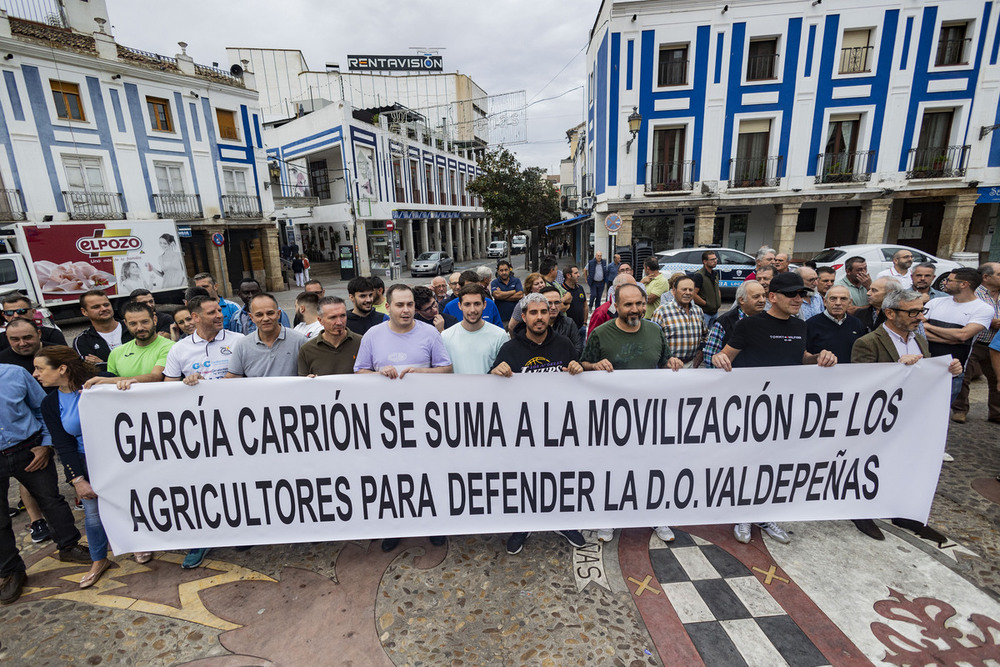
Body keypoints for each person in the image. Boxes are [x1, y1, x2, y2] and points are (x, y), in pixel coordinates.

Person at [711, 271, 837, 546]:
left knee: (773, 464)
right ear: (772, 297)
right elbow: (724, 356)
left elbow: (801, 359)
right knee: (747, 463)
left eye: (801, 294)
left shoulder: (799, 327)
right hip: (750, 406)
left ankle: (764, 514)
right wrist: (720, 358)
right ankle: (742, 513)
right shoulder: (749, 325)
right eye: (791, 294)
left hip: (783, 409)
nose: (798, 299)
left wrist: (819, 357)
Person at [851, 288, 963, 540]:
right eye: (912, 311)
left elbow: (928, 374)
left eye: (921, 310)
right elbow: (861, 383)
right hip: (880, 419)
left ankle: (902, 511)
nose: (919, 317)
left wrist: (949, 369)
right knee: (872, 463)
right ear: (889, 313)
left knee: (906, 463)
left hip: (912, 416)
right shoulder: (868, 342)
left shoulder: (920, 340)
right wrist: (896, 369)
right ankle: (861, 511)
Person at [582, 283, 682, 544]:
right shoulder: (601, 334)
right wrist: (594, 365)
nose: (635, 309)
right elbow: (582, 365)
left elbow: (664, 361)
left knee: (652, 469)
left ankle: (656, 516)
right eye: (628, 304)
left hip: (650, 417)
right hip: (611, 418)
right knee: (612, 470)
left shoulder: (655, 330)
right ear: (616, 305)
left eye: (639, 303)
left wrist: (671, 363)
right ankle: (608, 518)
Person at [354, 284, 451, 552]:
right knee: (392, 476)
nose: (406, 310)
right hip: (386, 423)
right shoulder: (372, 335)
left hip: (426, 420)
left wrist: (421, 375)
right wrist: (378, 375)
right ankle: (396, 526)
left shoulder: (430, 333)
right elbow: (359, 372)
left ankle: (434, 524)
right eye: (400, 305)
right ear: (387, 307)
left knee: (429, 474)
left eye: (409, 304)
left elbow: (446, 369)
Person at [490, 292, 587, 554]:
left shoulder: (564, 344)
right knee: (525, 479)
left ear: (550, 315)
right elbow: (490, 390)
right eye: (533, 313)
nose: (540, 317)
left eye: (544, 312)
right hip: (522, 431)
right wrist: (494, 373)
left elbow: (577, 381)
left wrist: (577, 369)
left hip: (558, 428)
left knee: (560, 477)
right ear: (524, 317)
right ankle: (523, 525)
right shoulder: (510, 349)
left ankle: (563, 522)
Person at [162, 296, 244, 568]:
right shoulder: (180, 350)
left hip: (236, 425)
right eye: (211, 312)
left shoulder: (238, 341)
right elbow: (167, 388)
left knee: (238, 478)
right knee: (201, 484)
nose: (219, 315)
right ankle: (201, 539)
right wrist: (186, 384)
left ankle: (244, 527)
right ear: (195, 317)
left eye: (219, 310)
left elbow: (252, 379)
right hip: (198, 430)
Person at [0, 363, 91, 604]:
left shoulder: (14, 374)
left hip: (28, 449)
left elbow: (44, 410)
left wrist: (46, 444)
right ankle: (11, 571)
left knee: (51, 500)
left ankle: (69, 546)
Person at [34, 347, 120, 588]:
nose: (35, 374)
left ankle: (137, 547)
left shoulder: (102, 384)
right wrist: (77, 479)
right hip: (86, 460)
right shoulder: (50, 404)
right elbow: (63, 443)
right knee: (92, 515)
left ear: (61, 369)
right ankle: (98, 560)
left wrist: (121, 383)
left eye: (40, 368)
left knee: (130, 503)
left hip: (120, 458)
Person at [923, 267, 994, 423]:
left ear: (964, 284)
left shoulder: (983, 309)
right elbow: (918, 329)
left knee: (936, 417)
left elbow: (964, 335)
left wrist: (929, 327)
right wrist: (948, 338)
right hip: (924, 366)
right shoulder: (935, 302)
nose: (945, 283)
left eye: (950, 280)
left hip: (952, 372)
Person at [953, 263, 1000, 424]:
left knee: (996, 378)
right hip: (975, 341)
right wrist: (989, 321)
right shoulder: (974, 294)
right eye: (999, 274)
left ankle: (996, 412)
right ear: (986, 277)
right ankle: (960, 410)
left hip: (995, 343)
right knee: (964, 376)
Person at [86, 302, 173, 387]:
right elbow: (111, 386)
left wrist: (114, 381)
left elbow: (156, 377)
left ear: (154, 320)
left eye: (145, 322)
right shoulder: (116, 353)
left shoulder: (170, 347)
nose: (140, 328)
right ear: (126, 324)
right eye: (133, 324)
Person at [226, 294, 306, 379]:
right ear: (251, 317)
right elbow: (233, 377)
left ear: (278, 314)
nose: (265, 318)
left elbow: (311, 374)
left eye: (270, 313)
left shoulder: (299, 341)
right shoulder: (242, 345)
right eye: (259, 315)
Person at [442, 284, 510, 374]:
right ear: (460, 306)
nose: (472, 310)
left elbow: (505, 370)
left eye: (477, 304)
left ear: (484, 305)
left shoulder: (499, 335)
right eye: (467, 304)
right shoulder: (445, 336)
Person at [703, 281, 767, 368]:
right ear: (741, 300)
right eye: (756, 297)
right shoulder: (724, 322)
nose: (762, 300)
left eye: (764, 296)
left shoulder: (769, 319)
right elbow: (710, 357)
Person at [651, 275, 707, 367]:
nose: (687, 293)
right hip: (669, 367)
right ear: (674, 290)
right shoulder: (662, 312)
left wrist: (699, 355)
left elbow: (704, 336)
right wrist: (665, 363)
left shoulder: (698, 311)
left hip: (692, 365)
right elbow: (653, 343)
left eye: (690, 290)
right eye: (684, 289)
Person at [298, 296, 362, 377]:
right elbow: (303, 384)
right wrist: (308, 381)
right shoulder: (307, 350)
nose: (339, 322)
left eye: (342, 316)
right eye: (333, 317)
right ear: (320, 320)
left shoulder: (362, 343)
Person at [72, 290, 133, 369]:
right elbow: (88, 371)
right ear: (84, 311)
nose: (104, 309)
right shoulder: (82, 341)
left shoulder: (133, 329)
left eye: (106, 305)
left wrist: (103, 364)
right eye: (96, 307)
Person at [806, 285, 866, 365]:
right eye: (833, 299)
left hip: (851, 374)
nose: (838, 303)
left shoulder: (857, 323)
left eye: (843, 299)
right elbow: (805, 356)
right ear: (825, 301)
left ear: (850, 302)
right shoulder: (810, 324)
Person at [1, 294, 65, 351]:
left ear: (33, 312)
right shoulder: (1, 340)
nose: (16, 315)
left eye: (21, 311)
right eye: (9, 312)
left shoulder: (52, 334)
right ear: (4, 315)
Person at [541, 285, 583, 357]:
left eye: (557, 302)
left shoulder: (569, 323)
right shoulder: (533, 325)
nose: (553, 307)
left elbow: (578, 348)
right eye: (549, 303)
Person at [690, 251, 721, 325]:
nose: (715, 261)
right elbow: (693, 294)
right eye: (712, 260)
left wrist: (718, 299)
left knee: (711, 335)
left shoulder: (715, 274)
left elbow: (717, 288)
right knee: (703, 335)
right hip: (705, 313)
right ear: (705, 261)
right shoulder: (699, 275)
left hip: (715, 312)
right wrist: (706, 303)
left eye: (715, 259)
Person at [490, 260, 524, 325]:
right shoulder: (494, 283)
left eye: (506, 270)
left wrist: (502, 296)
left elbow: (520, 295)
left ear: (509, 270)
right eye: (501, 270)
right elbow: (497, 295)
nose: (504, 272)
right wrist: (513, 291)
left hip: (515, 318)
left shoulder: (516, 281)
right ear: (498, 271)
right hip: (501, 318)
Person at [562, 265, 588, 331]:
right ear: (568, 275)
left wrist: (584, 323)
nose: (578, 275)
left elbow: (585, 305)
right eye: (575, 273)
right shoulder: (561, 290)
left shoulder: (580, 288)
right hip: (568, 330)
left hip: (581, 327)